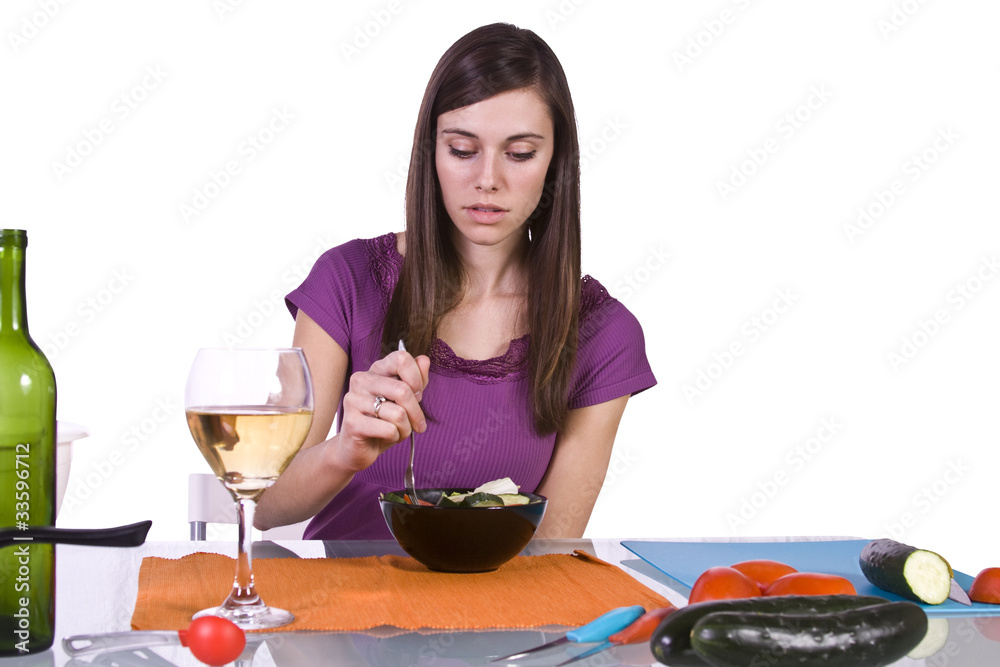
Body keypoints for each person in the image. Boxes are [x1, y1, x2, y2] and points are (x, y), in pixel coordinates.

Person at [255, 23, 656, 540]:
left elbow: (550, 552)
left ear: (555, 164)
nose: (488, 179)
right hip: (337, 591)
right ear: (431, 153)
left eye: (519, 154)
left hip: (498, 597)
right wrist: (343, 451)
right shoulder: (347, 280)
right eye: (463, 149)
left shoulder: (603, 334)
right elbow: (264, 505)